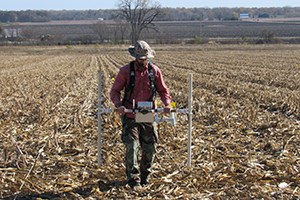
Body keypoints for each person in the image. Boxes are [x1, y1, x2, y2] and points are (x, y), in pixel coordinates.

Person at [110, 40, 172, 189]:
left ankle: (145, 176)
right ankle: (133, 179)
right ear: (134, 57)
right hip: (130, 114)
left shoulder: (154, 71)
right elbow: (115, 91)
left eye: (144, 59)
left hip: (147, 113)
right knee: (132, 145)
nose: (142, 61)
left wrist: (167, 104)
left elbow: (163, 91)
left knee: (149, 146)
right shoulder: (125, 71)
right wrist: (119, 105)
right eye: (139, 58)